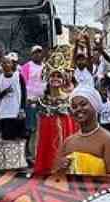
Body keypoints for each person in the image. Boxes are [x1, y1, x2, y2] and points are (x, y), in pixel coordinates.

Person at [53, 85, 110, 178]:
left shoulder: (109, 142)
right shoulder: (68, 142)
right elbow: (56, 178)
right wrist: (60, 169)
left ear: (95, 106)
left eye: (83, 104)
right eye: (74, 107)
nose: (78, 109)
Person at [32, 46, 77, 177]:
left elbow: (75, 128)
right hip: (47, 146)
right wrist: (36, 150)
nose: (55, 78)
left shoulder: (70, 100)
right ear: (47, 77)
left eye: (59, 76)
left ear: (64, 79)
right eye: (53, 75)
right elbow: (39, 129)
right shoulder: (42, 102)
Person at [0, 53, 27, 141]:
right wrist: (5, 92)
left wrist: (22, 108)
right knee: (6, 138)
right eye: (4, 63)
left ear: (12, 64)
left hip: (17, 113)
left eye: (8, 63)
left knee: (19, 138)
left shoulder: (18, 76)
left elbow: (24, 93)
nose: (6, 65)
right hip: (5, 113)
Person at [21, 45, 47, 156]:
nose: (38, 55)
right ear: (31, 54)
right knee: (30, 128)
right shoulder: (27, 66)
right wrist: (25, 99)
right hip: (30, 101)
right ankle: (27, 151)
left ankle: (38, 151)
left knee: (41, 128)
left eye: (39, 52)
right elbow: (22, 84)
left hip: (43, 102)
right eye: (35, 52)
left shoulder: (46, 67)